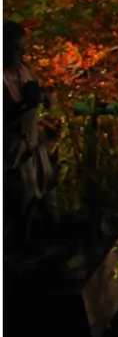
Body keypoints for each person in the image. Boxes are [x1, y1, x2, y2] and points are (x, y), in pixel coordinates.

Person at [3, 20, 58, 247]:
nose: (21, 52)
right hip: (11, 151)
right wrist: (26, 106)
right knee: (20, 203)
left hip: (34, 144)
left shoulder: (23, 68)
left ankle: (54, 239)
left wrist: (45, 98)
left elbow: (36, 97)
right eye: (17, 47)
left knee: (47, 191)